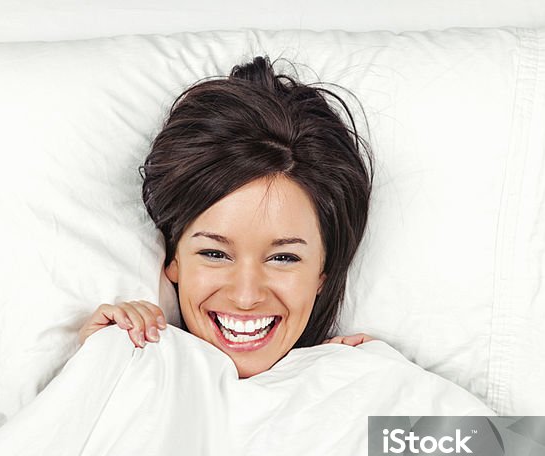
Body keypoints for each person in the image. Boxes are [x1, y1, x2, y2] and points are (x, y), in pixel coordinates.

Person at [77, 55, 375, 378]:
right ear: (173, 259)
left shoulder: (361, 379)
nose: (246, 297)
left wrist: (384, 398)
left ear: (323, 272)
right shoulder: (133, 363)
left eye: (284, 257)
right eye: (215, 254)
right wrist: (95, 370)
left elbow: (435, 428)